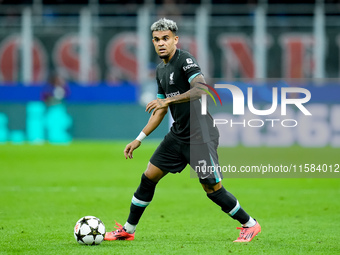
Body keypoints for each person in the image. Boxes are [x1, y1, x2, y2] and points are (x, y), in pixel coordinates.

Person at [104, 18, 261, 243]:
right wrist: (139, 138)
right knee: (149, 177)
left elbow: (200, 88)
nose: (161, 43)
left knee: (213, 189)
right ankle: (128, 229)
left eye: (165, 39)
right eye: (157, 40)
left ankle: (250, 224)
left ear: (175, 40)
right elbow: (159, 110)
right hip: (177, 135)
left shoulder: (184, 60)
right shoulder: (160, 70)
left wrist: (169, 101)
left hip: (200, 137)